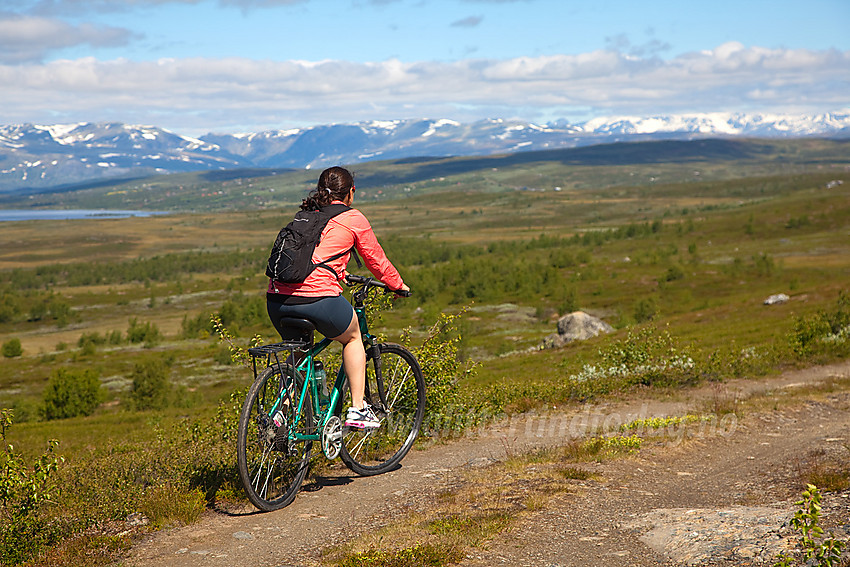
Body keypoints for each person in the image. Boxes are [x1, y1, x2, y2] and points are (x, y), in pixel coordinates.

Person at [266, 166, 409, 429]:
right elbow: (376, 262)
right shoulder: (353, 218)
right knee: (353, 336)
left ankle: (280, 412)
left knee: (298, 351)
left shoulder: (306, 215)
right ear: (351, 192)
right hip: (318, 299)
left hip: (277, 300)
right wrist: (397, 285)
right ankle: (358, 409)